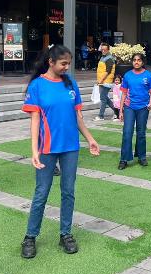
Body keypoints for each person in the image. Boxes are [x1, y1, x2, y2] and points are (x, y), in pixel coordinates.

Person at [20, 45, 100, 259]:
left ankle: (66, 234)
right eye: (63, 64)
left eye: (68, 64)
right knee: (41, 193)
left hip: (71, 148)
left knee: (68, 192)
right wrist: (34, 151)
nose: (67, 67)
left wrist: (90, 139)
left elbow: (78, 118)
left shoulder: (70, 83)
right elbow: (35, 120)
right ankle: (30, 237)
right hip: (46, 148)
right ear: (51, 62)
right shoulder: (37, 86)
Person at [119, 53, 151, 170]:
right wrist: (121, 110)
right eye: (134, 60)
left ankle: (141, 157)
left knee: (141, 133)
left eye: (139, 60)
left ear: (142, 62)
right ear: (132, 62)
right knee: (127, 133)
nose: (136, 62)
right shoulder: (127, 75)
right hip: (129, 107)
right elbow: (124, 93)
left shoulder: (148, 75)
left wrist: (150, 103)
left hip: (143, 108)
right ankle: (124, 159)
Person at [94, 43, 118, 121]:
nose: (103, 51)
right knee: (105, 98)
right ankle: (117, 111)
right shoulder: (104, 57)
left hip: (106, 81)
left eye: (105, 49)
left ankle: (101, 116)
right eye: (102, 49)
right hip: (103, 81)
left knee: (103, 99)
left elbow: (107, 71)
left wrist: (100, 80)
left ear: (108, 50)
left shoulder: (109, 59)